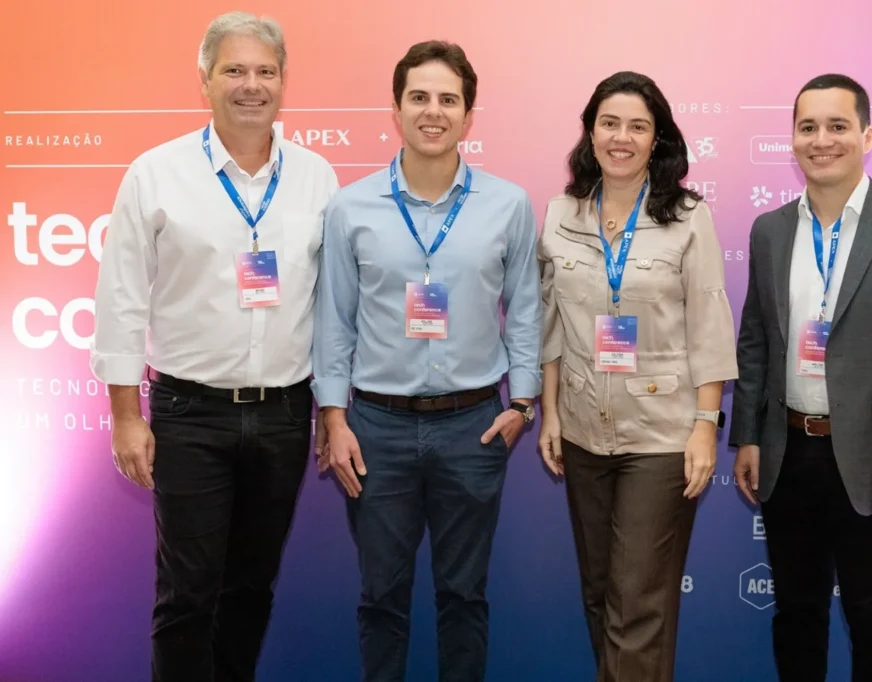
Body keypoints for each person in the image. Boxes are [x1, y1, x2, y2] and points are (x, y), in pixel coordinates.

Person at [89, 11, 338, 681]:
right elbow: (120, 299)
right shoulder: (156, 173)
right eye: (234, 70)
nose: (251, 85)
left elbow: (333, 305)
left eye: (265, 71)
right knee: (188, 595)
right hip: (190, 415)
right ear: (204, 80)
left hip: (284, 414)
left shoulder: (317, 177)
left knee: (250, 590)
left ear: (283, 81)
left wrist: (331, 406)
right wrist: (125, 416)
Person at [311, 40, 542, 682]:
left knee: (464, 597)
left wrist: (523, 403)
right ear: (396, 109)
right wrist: (333, 418)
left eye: (448, 99)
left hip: (474, 427)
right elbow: (334, 320)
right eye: (419, 97)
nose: (432, 111)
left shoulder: (508, 204)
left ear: (468, 114)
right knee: (381, 598)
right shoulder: (351, 207)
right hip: (375, 430)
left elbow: (526, 310)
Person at [729, 73, 872, 682]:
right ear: (792, 139)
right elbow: (755, 340)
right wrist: (747, 436)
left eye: (837, 126)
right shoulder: (770, 230)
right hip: (787, 453)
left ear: (867, 136)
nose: (821, 140)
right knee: (796, 618)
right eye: (808, 127)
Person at [536, 71, 739, 682]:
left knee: (638, 601)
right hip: (581, 429)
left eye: (637, 126)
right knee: (601, 592)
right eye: (609, 123)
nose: (621, 138)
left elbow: (709, 326)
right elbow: (550, 323)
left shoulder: (688, 216)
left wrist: (705, 425)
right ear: (590, 131)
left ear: (657, 139)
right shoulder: (561, 213)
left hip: (661, 434)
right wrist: (550, 413)